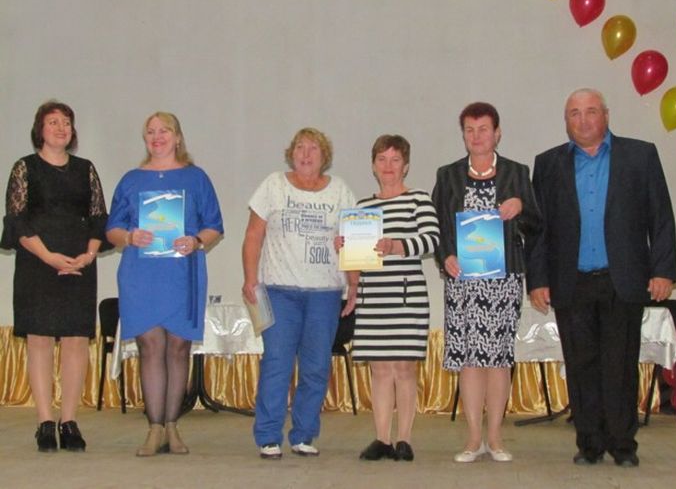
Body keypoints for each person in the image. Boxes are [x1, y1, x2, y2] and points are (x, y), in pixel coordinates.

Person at [526, 88, 676, 468]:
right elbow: (538, 230)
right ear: (566, 121)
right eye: (574, 113)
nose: (583, 120)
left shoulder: (640, 156)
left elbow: (660, 216)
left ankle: (623, 444)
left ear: (606, 116)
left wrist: (662, 270)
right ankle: (589, 443)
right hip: (571, 281)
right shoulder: (548, 164)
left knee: (620, 366)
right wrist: (538, 279)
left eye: (591, 111)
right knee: (581, 367)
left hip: (622, 279)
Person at [106, 112, 223, 456]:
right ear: (145, 138)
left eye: (164, 131)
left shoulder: (196, 177)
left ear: (177, 137)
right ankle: (154, 428)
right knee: (150, 347)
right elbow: (112, 229)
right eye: (151, 132)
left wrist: (196, 241)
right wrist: (129, 237)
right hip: (141, 275)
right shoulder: (131, 180)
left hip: (182, 274)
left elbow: (214, 226)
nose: (157, 137)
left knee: (178, 347)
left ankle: (172, 426)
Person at [432, 102, 541, 463]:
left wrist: (520, 207)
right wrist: (445, 256)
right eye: (469, 130)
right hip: (463, 281)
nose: (476, 136)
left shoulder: (517, 172)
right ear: (462, 134)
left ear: (497, 133)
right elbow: (436, 227)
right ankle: (473, 438)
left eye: (483, 129)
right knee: (469, 359)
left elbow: (537, 225)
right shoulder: (448, 174)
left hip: (503, 280)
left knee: (498, 359)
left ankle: (495, 437)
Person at [0, 100, 109, 452]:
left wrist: (88, 255)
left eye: (66, 122)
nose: (61, 128)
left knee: (76, 340)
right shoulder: (25, 168)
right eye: (53, 122)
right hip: (38, 263)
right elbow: (16, 221)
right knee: (40, 340)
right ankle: (45, 422)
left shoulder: (85, 169)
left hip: (78, 263)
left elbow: (99, 218)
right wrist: (48, 257)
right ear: (40, 130)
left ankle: (69, 420)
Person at [242, 127, 355, 459]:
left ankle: (304, 434)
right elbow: (253, 236)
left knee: (316, 366)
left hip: (325, 292)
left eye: (314, 149)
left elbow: (354, 243)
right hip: (279, 291)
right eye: (301, 148)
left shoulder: (340, 191)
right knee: (277, 362)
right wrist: (250, 279)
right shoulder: (273, 185)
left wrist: (354, 285)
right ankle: (268, 436)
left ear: (324, 156)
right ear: (291, 153)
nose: (306, 154)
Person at [338, 135, 439, 462]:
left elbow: (431, 240)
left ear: (406, 165)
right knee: (380, 369)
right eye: (382, 160)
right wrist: (345, 250)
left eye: (395, 160)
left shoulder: (418, 199)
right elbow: (356, 262)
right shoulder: (362, 209)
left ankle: (404, 439)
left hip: (407, 297)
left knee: (404, 368)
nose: (388, 166)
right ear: (373, 166)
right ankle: (382, 438)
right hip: (373, 298)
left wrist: (396, 246)